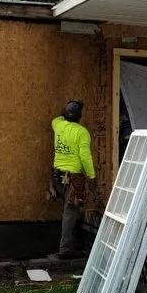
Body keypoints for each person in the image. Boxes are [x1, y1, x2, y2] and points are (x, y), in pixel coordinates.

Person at [49, 100, 95, 260]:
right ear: (80, 116)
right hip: (74, 179)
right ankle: (66, 249)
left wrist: (68, 107)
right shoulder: (82, 132)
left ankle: (70, 244)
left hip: (57, 177)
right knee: (70, 213)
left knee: (69, 212)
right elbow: (85, 156)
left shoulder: (58, 125)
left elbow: (58, 117)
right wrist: (92, 176)